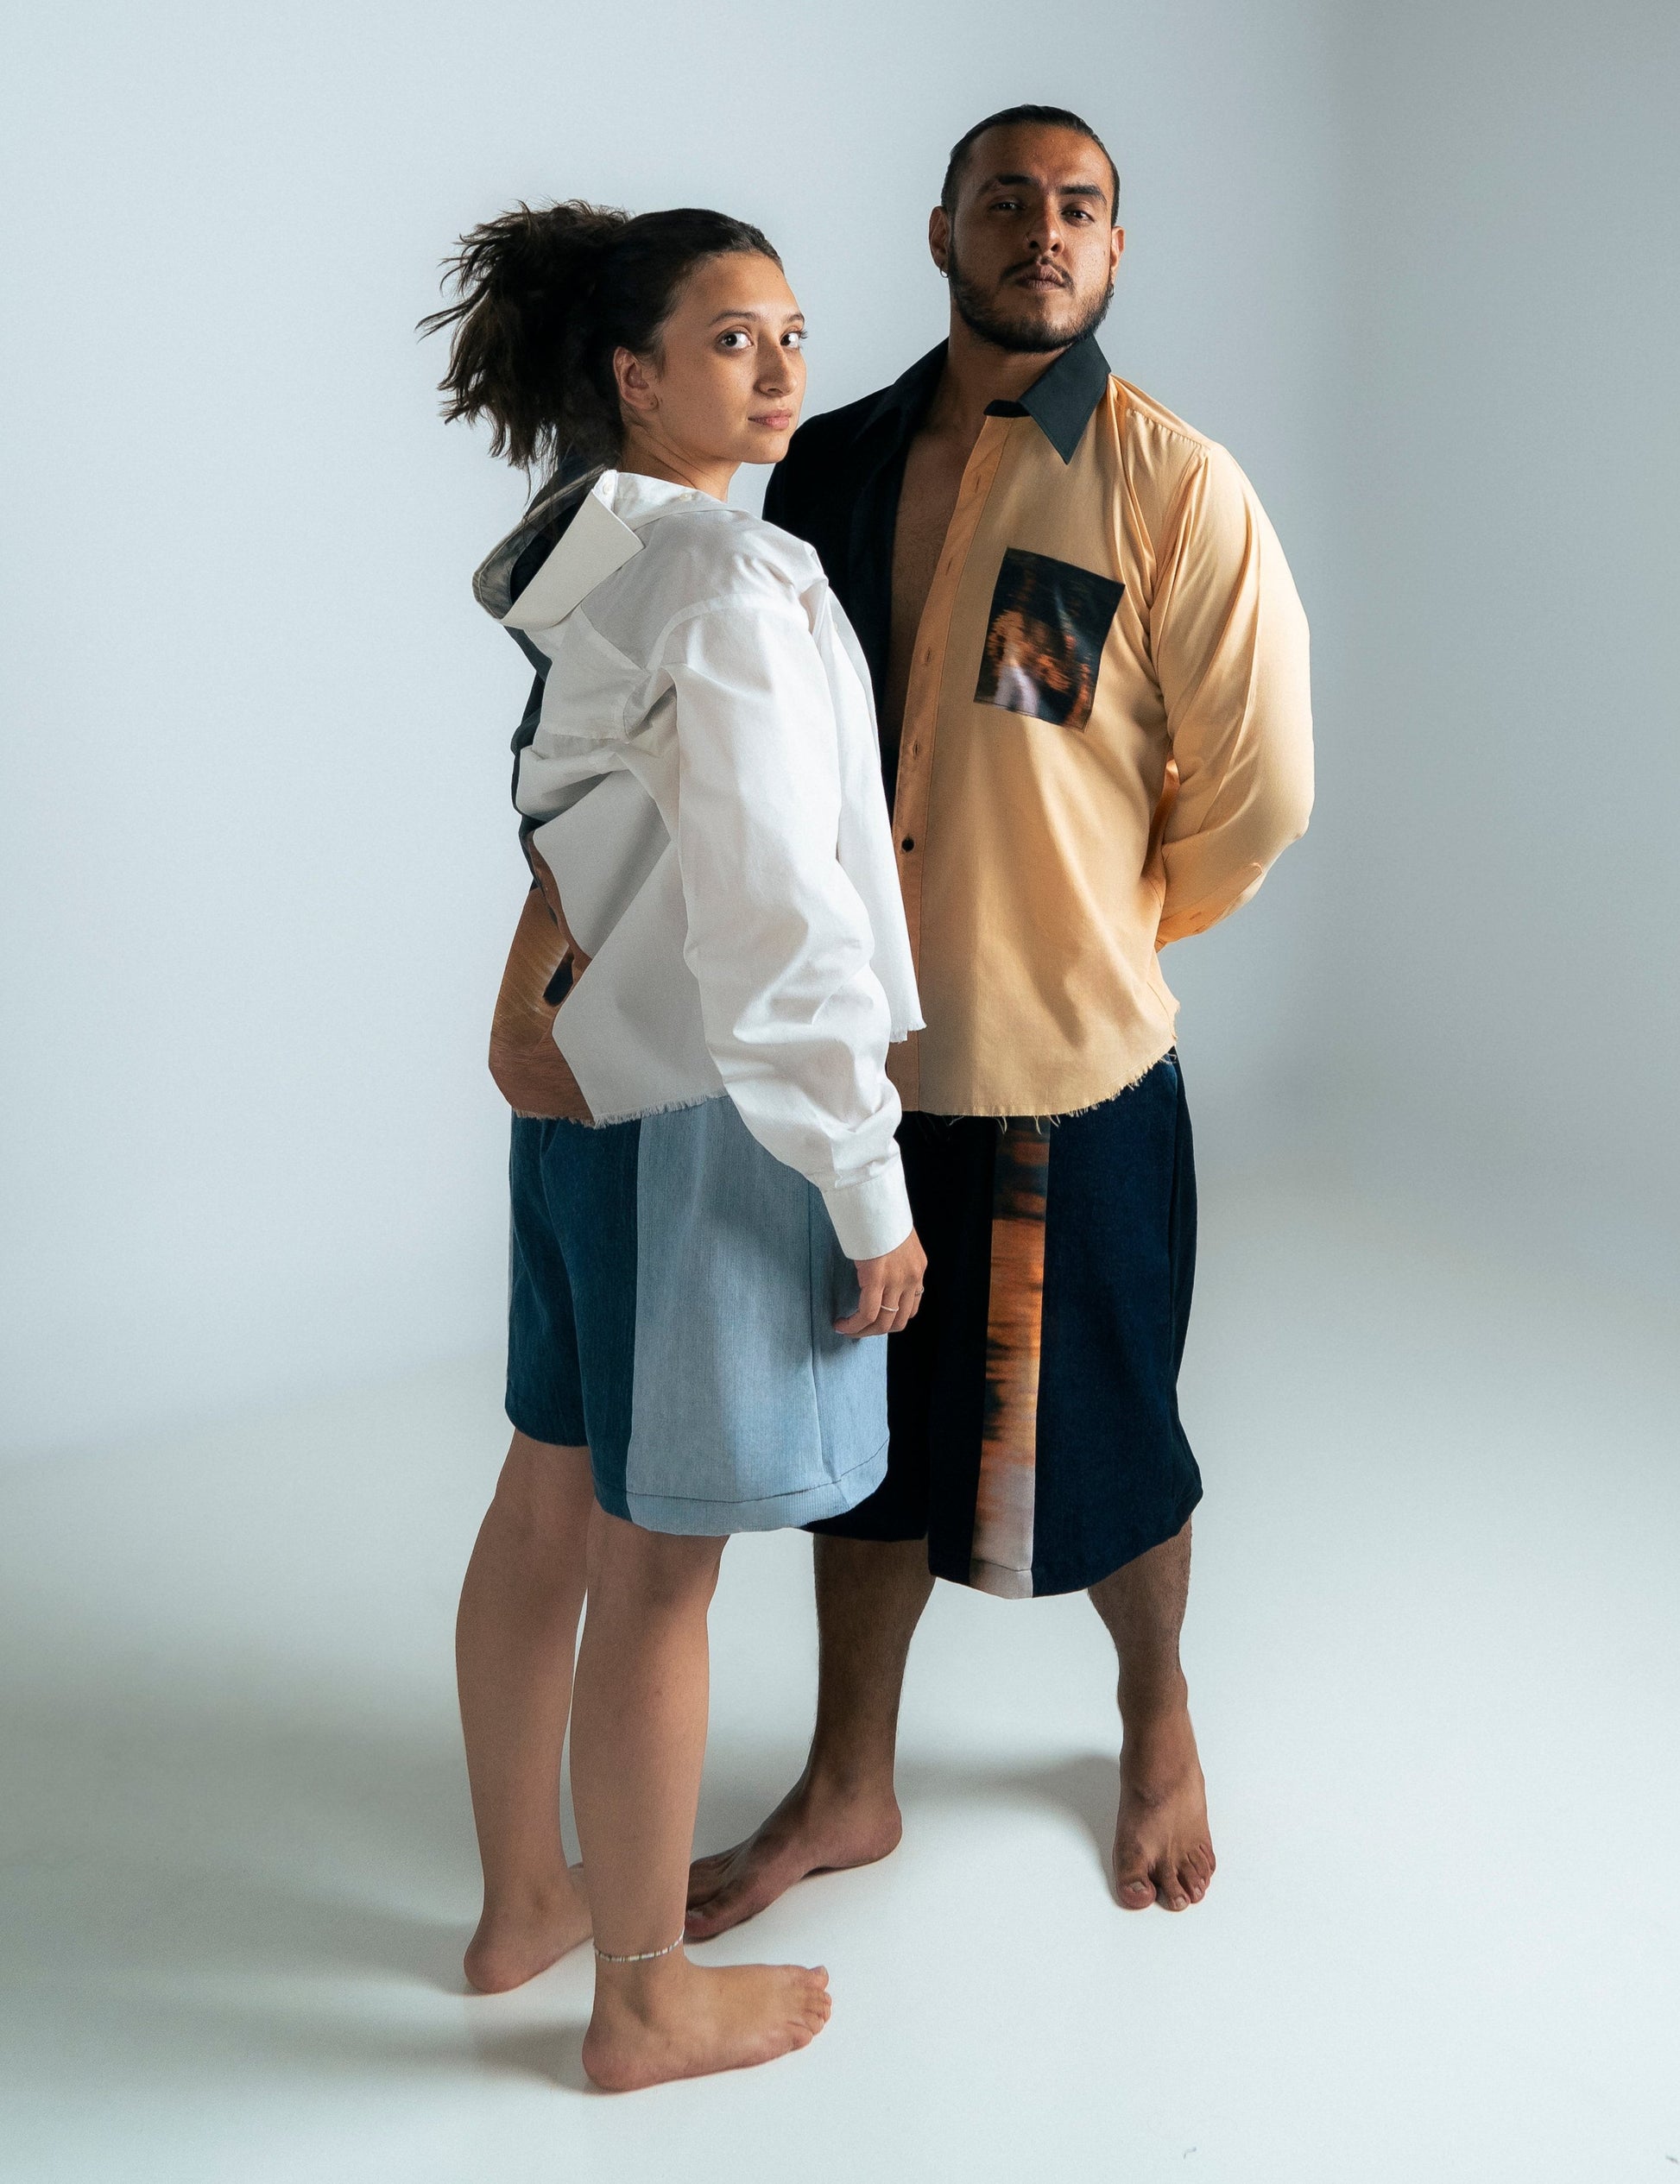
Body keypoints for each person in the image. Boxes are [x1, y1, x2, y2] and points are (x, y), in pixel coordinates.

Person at [685, 106, 1314, 1940]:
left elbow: (1260, 791)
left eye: (1078, 208)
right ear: (942, 230)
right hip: (853, 1068)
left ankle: (1154, 1716)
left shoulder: (1169, 486)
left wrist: (1103, 927)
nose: (1043, 230)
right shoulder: (831, 461)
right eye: (1007, 201)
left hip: (1063, 1066)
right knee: (860, 1438)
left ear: (1113, 249)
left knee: (1105, 1430)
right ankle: (848, 1778)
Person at [425, 201, 926, 2090]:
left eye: (790, 329)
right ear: (635, 377)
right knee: (658, 1570)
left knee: (543, 1507)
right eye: (731, 338)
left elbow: (584, 844)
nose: (781, 365)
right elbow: (776, 915)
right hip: (707, 1123)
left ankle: (523, 1903)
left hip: (588, 1107)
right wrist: (866, 1185)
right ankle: (640, 1995)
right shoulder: (728, 578)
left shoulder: (595, 559)